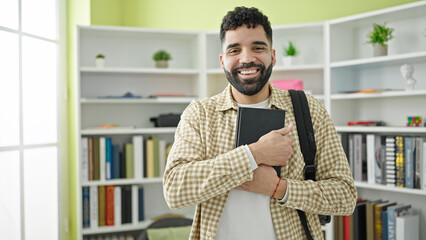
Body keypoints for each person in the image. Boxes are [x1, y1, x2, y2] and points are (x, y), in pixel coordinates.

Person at [163, 6, 357, 240]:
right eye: (235, 50)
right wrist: (253, 155)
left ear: (272, 56)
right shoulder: (200, 114)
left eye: (258, 47)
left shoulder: (309, 109)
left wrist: (279, 188)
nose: (247, 59)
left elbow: (345, 197)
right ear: (222, 60)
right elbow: (174, 191)